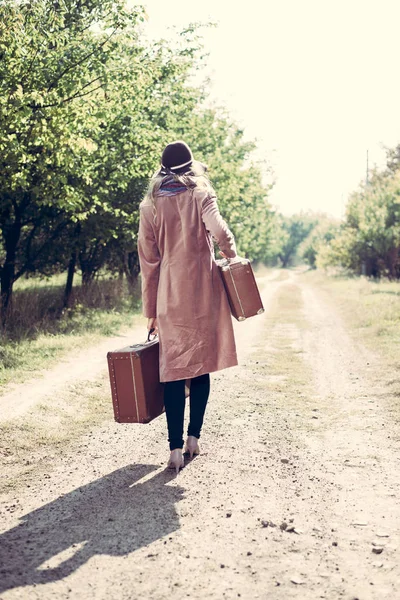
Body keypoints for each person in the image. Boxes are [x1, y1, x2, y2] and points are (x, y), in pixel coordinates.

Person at [138, 140, 238, 473]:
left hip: (170, 293)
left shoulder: (150, 206)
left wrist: (151, 310)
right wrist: (231, 255)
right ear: (190, 166)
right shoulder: (201, 194)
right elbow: (219, 231)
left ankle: (174, 449)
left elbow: (149, 261)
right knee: (201, 364)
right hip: (203, 289)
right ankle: (194, 438)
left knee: (173, 368)